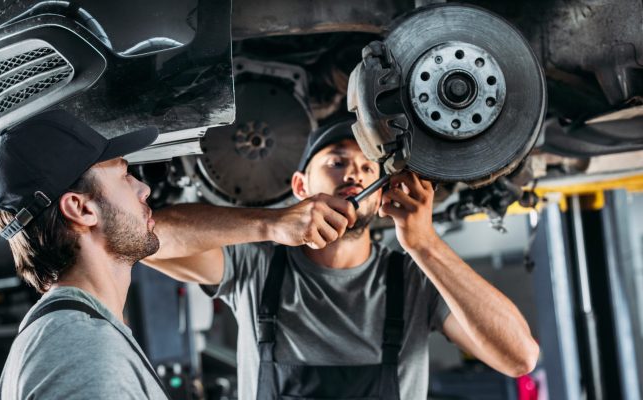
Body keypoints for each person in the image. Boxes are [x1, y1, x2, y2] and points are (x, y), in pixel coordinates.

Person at [143, 120, 539, 399]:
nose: (354, 174)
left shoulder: (415, 282)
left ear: (382, 193)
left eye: (369, 168)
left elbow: (519, 358)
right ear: (301, 185)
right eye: (336, 162)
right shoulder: (257, 269)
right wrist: (271, 225)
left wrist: (425, 244)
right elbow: (146, 237)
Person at [0, 109, 170, 399]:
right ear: (81, 209)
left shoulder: (63, 335)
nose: (144, 188)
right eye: (124, 175)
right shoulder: (84, 351)